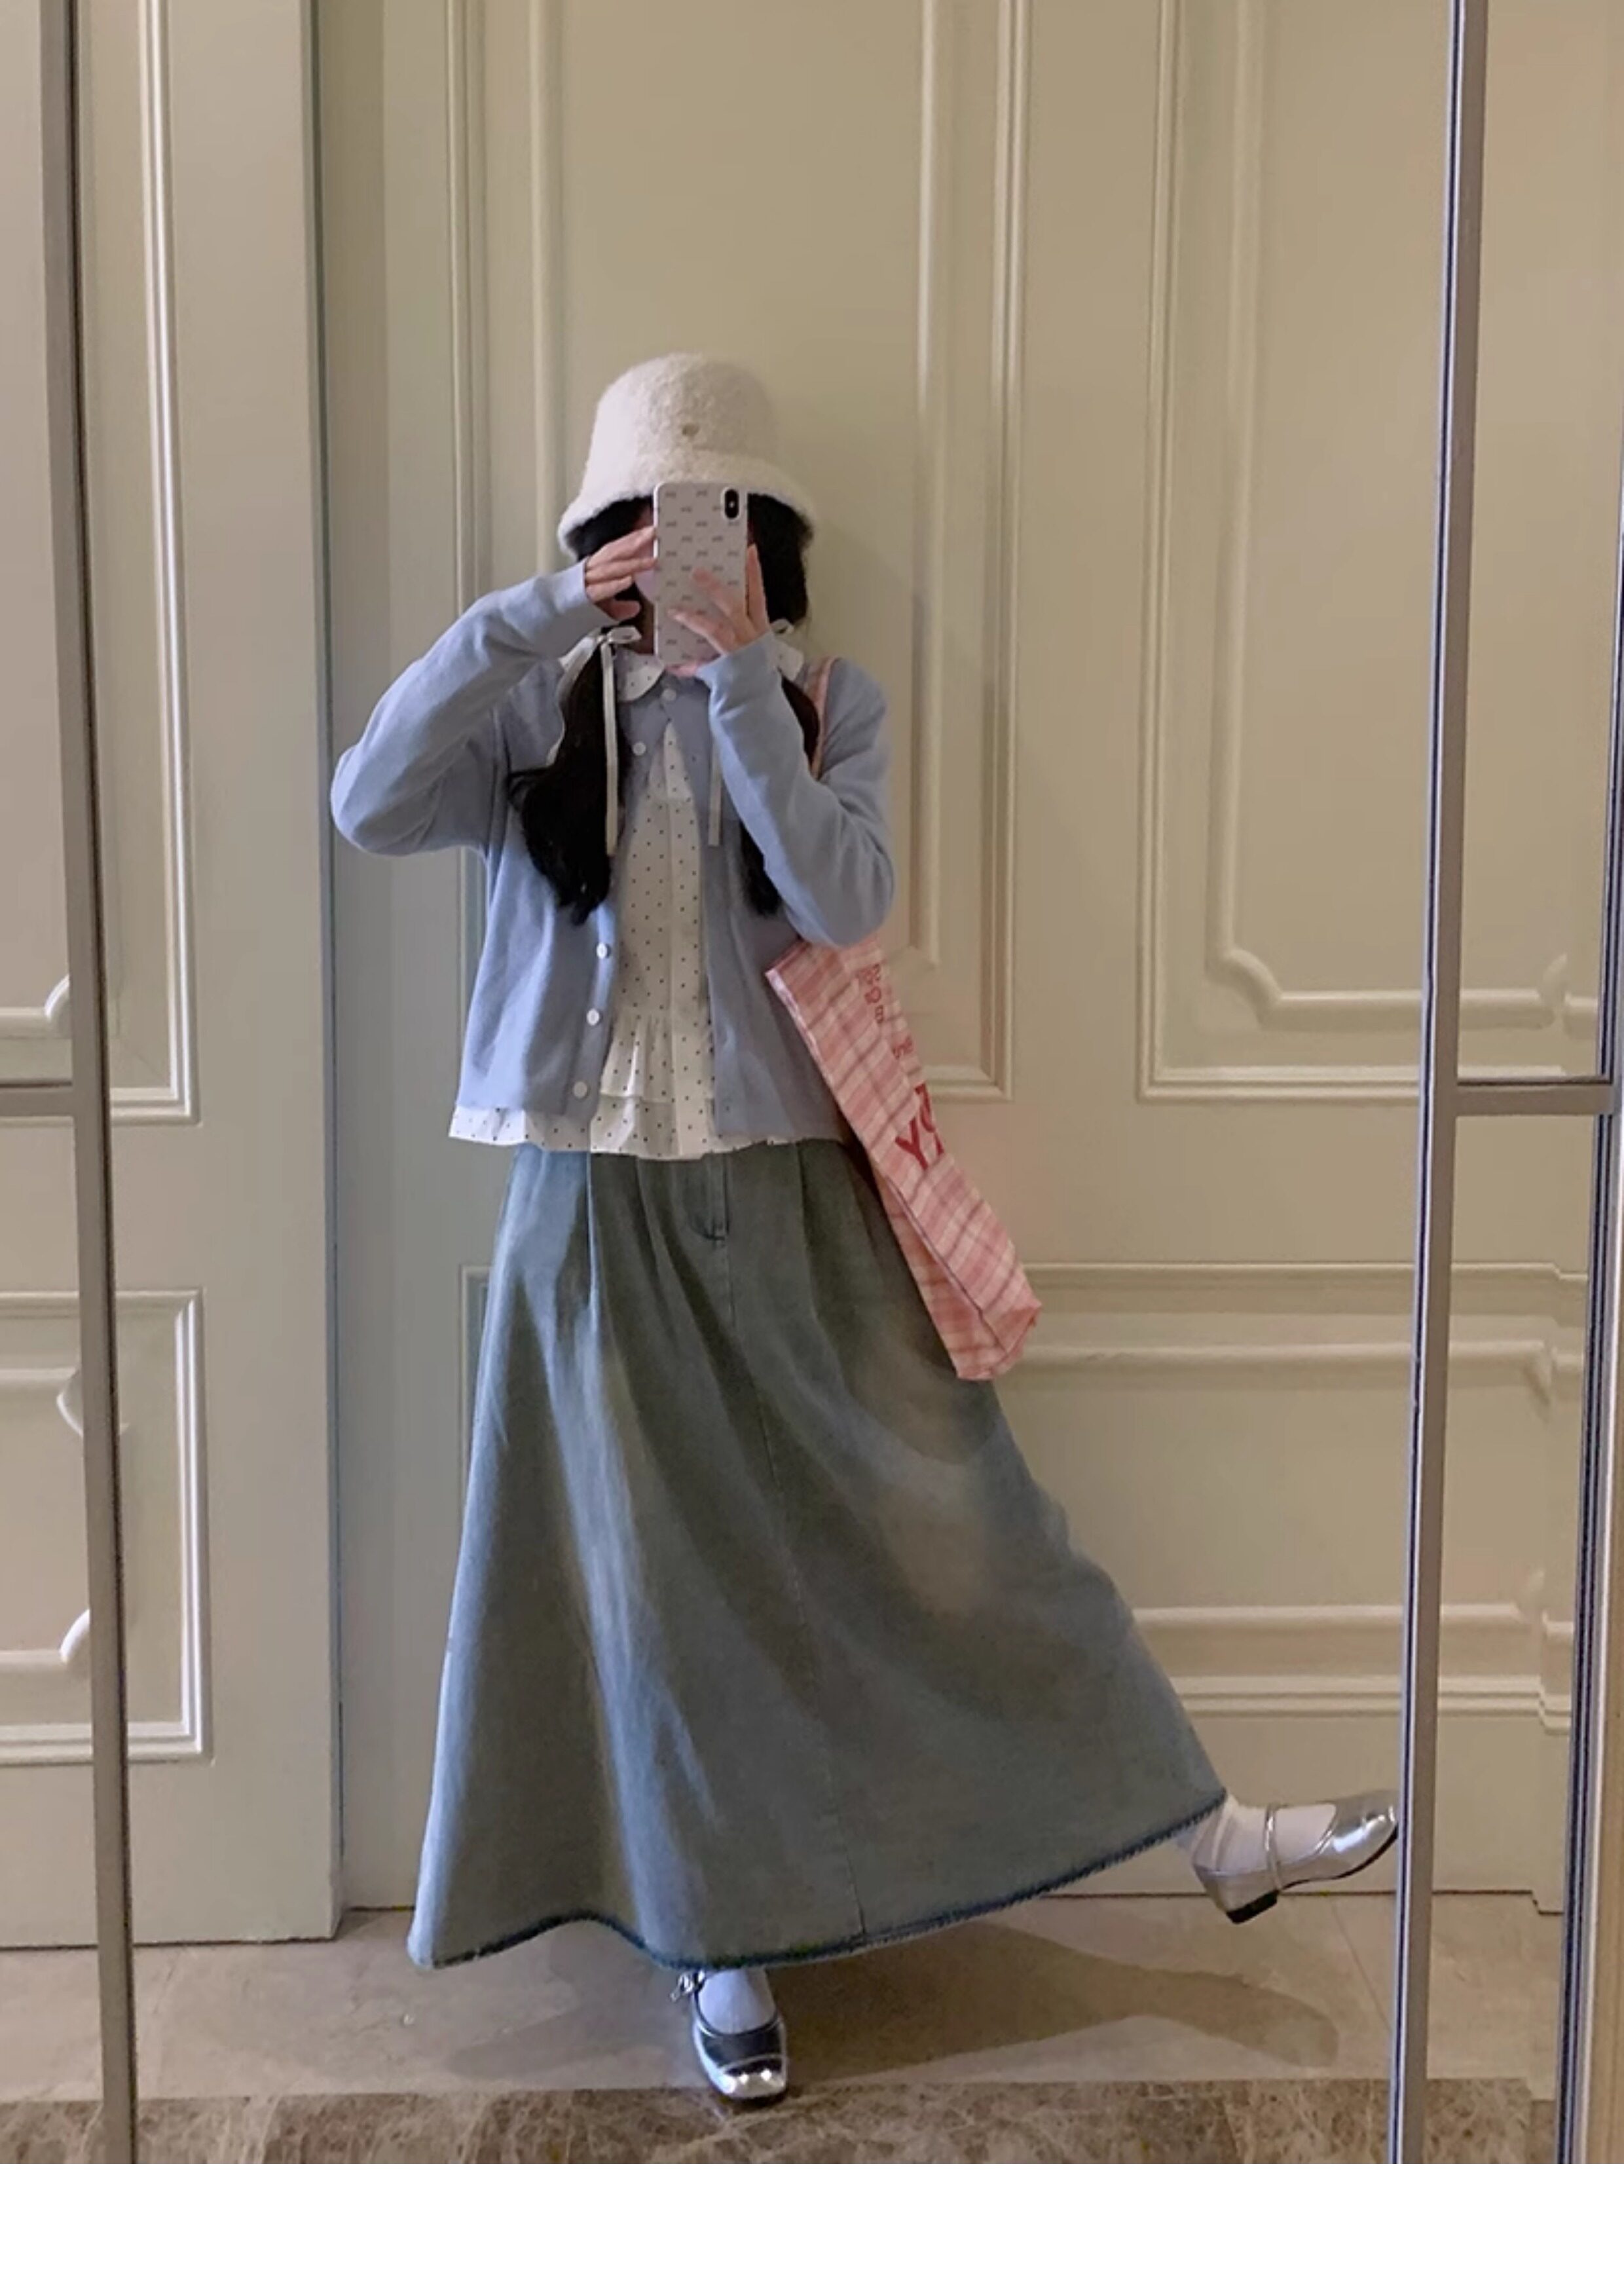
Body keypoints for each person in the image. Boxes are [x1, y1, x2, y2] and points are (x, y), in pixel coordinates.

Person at [330, 352, 1397, 2106]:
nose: (677, 545)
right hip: (589, 1210)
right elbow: (367, 800)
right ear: (598, 537)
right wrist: (537, 619)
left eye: (715, 517)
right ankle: (720, 1949)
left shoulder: (828, 704)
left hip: (795, 1199)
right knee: (653, 1599)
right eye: (642, 522)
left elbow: (844, 899)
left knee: (961, 1513)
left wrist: (741, 680)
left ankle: (1208, 1829)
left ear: (766, 536)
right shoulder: (539, 707)